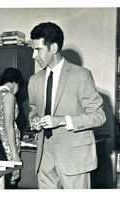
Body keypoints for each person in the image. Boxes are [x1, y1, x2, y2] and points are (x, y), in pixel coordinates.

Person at [28, 22, 106, 189]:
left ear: (53, 48)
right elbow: (33, 109)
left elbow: (99, 116)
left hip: (74, 157)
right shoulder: (34, 80)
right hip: (44, 157)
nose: (33, 56)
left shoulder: (81, 75)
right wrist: (34, 119)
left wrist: (62, 120)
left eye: (38, 49)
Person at [0, 67, 23, 187]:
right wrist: (15, 154)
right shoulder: (9, 96)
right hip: (8, 143)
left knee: (0, 182)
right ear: (15, 82)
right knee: (11, 180)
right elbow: (8, 126)